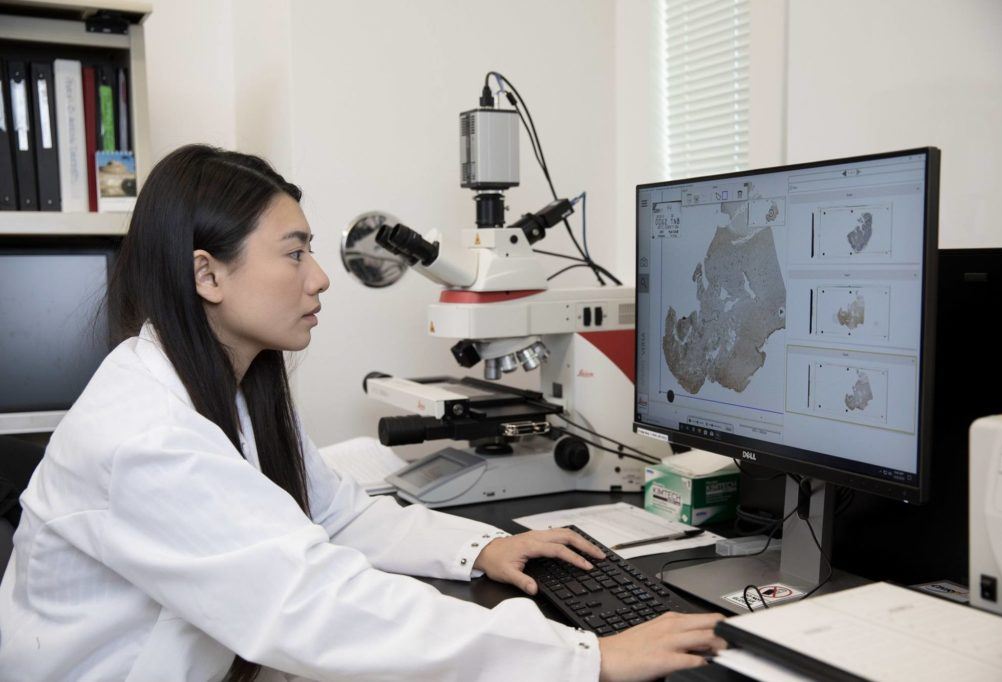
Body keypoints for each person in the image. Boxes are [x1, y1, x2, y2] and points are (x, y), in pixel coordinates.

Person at [0, 145, 725, 681]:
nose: (319, 278)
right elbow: (313, 604)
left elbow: (335, 513)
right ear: (207, 274)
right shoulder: (147, 437)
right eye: (294, 253)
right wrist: (581, 657)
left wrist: (476, 550)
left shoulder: (223, 388)